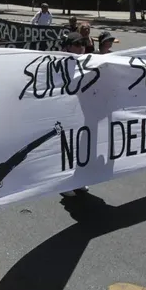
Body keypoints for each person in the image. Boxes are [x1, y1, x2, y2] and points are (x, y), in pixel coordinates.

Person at [59, 32, 89, 197]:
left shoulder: (89, 62)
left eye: (82, 45)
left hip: (83, 111)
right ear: (67, 46)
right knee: (67, 148)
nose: (81, 48)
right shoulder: (59, 63)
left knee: (82, 148)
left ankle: (78, 180)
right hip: (66, 112)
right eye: (77, 45)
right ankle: (64, 183)